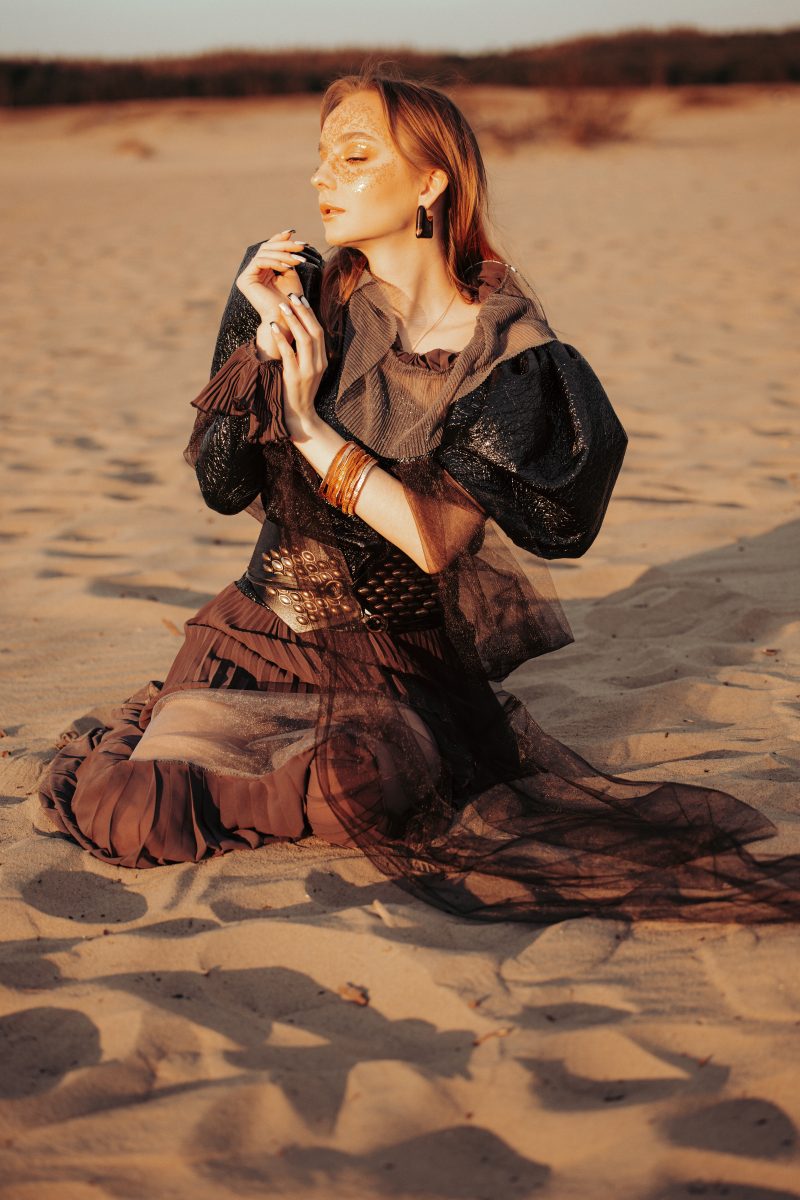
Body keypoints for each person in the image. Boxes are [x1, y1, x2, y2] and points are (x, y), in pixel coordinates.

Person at [39, 63, 800, 923]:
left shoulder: (505, 352)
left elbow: (434, 541)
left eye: (356, 156)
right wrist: (257, 347)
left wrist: (308, 425)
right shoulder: (291, 291)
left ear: (431, 181)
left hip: (394, 661)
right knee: (134, 812)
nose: (323, 177)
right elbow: (221, 486)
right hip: (255, 634)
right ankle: (172, 729)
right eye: (321, 156)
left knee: (354, 790)